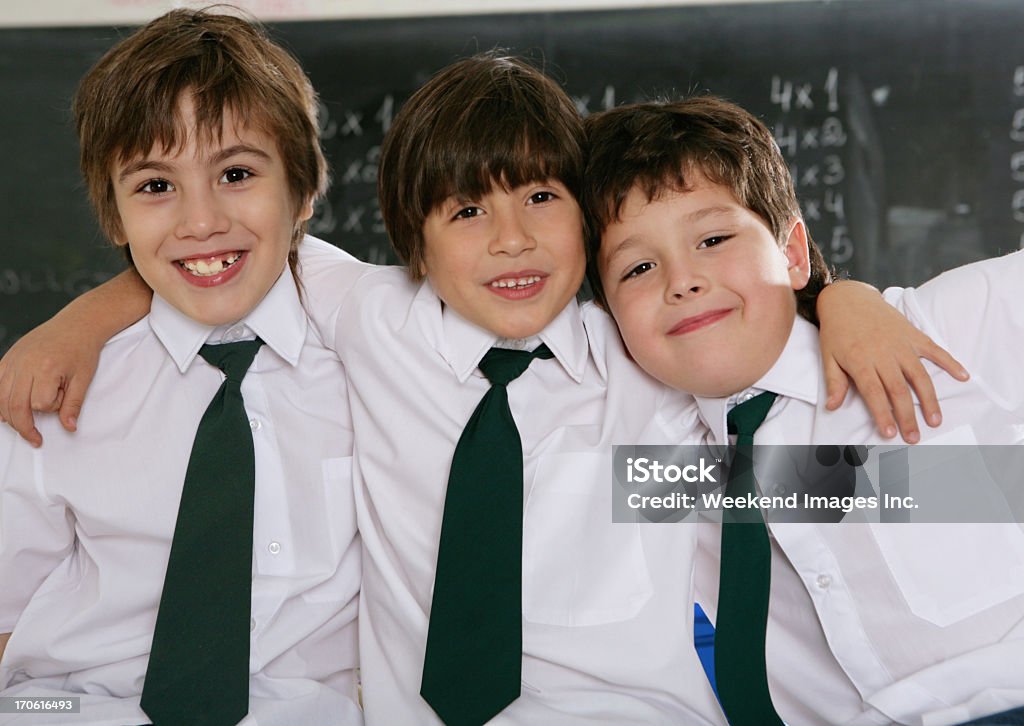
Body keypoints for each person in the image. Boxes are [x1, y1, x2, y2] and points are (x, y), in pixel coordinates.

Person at [0, 52, 963, 724]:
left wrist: (844, 297)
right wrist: (75, 321)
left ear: (592, 228)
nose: (510, 240)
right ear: (413, 246)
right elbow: (222, 253)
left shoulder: (647, 370)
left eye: (543, 198)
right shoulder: (369, 323)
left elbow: (762, 354)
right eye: (466, 210)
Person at [584, 95, 1024, 725]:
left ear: (792, 254)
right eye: (639, 267)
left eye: (712, 238)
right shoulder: (655, 464)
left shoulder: (938, 333)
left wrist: (846, 293)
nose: (681, 280)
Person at [0, 9, 361, 725]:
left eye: (235, 173)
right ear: (114, 215)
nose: (200, 221)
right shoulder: (55, 389)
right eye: (155, 186)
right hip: (67, 708)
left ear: (306, 189)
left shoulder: (377, 351)